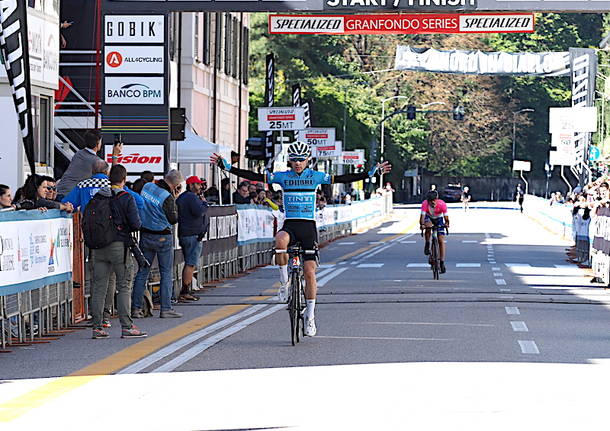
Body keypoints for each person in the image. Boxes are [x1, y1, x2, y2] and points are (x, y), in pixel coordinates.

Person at [211, 141, 391, 337]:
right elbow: (254, 176)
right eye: (294, 160)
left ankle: (310, 317)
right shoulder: (283, 177)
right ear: (290, 161)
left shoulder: (315, 177)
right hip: (291, 225)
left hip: (308, 227)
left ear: (308, 160)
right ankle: (284, 284)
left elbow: (341, 178)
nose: (297, 163)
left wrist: (370, 173)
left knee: (309, 272)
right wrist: (229, 168)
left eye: (301, 160)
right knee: (280, 240)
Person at [90, 165, 146, 339]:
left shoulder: (98, 196)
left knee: (99, 286)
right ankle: (127, 326)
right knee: (123, 285)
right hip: (118, 246)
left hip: (98, 247)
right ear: (124, 178)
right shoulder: (126, 197)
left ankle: (98, 327)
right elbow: (136, 224)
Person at [132, 169, 184, 319]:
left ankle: (136, 308)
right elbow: (173, 218)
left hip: (145, 234)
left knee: (142, 272)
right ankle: (166, 308)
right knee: (165, 273)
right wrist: (175, 197)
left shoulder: (147, 187)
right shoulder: (167, 197)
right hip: (162, 236)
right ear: (176, 185)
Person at [57, 130, 121, 196]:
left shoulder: (78, 154)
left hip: (59, 191)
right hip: (69, 196)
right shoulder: (97, 162)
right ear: (98, 142)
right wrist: (115, 155)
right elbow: (114, 177)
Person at [176, 176, 209, 302]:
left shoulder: (185, 197)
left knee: (190, 262)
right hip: (192, 235)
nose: (200, 187)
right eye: (198, 184)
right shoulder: (190, 197)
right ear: (191, 185)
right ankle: (185, 291)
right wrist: (204, 203)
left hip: (188, 233)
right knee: (191, 263)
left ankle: (185, 289)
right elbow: (199, 211)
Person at [420, 190, 450, 274]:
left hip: (439, 218)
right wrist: (422, 225)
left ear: (437, 199)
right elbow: (422, 218)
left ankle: (442, 262)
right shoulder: (425, 204)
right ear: (428, 201)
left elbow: (446, 218)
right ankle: (427, 243)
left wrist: (447, 224)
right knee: (428, 226)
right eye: (431, 201)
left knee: (441, 240)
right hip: (428, 217)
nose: (433, 202)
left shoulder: (442, 204)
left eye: (434, 200)